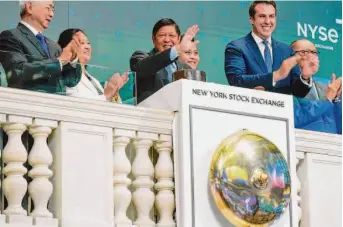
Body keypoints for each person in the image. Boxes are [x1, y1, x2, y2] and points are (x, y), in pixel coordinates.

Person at [224, 1, 317, 98]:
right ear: (252, 19)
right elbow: (236, 80)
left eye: (271, 16)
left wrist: (305, 77)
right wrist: (276, 75)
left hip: (282, 112)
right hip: (249, 110)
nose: (268, 21)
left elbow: (298, 92)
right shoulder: (236, 47)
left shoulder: (287, 51)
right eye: (262, 16)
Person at [0, 0, 82, 94]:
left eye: (53, 9)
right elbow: (17, 73)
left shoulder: (54, 46)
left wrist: (73, 59)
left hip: (58, 105)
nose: (52, 14)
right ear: (29, 7)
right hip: (29, 103)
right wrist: (59, 61)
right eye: (48, 8)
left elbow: (70, 82)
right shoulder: (11, 36)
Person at [130, 18, 199, 103]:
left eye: (172, 36)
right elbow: (143, 68)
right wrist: (177, 49)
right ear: (153, 39)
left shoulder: (186, 68)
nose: (167, 40)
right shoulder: (139, 57)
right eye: (162, 35)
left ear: (178, 39)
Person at [57, 28, 128, 102]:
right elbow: (73, 101)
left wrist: (113, 92)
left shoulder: (95, 81)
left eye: (88, 43)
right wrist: (106, 95)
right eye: (82, 43)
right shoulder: (65, 75)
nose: (87, 47)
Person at [290, 39, 342, 134]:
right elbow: (296, 119)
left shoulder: (328, 87)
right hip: (304, 144)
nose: (311, 56)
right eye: (304, 52)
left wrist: (337, 99)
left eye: (314, 52)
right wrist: (327, 99)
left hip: (334, 144)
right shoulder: (283, 86)